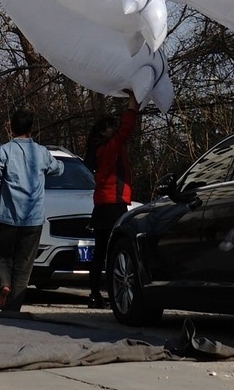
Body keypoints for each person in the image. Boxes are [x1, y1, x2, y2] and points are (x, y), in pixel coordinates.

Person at [0, 108, 64, 313]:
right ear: (31, 129)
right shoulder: (41, 152)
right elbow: (57, 168)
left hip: (8, 216)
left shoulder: (3, 151)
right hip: (33, 219)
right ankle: (13, 308)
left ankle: (3, 284)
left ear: (11, 129)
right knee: (24, 264)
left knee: (2, 256)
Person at [83, 89, 139, 308]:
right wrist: (132, 101)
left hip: (101, 205)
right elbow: (127, 127)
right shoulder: (110, 146)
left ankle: (95, 294)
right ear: (105, 131)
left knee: (99, 252)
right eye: (111, 128)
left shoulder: (95, 149)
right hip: (114, 205)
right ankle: (116, 294)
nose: (115, 130)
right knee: (117, 251)